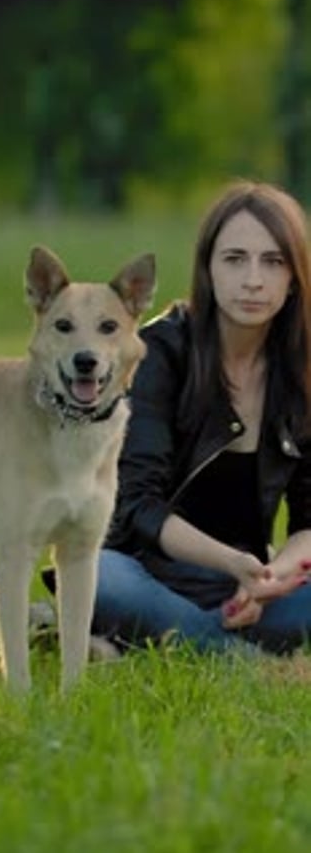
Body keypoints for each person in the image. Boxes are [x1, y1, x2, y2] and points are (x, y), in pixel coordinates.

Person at [91, 179, 311, 655]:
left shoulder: (302, 371)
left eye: (273, 261)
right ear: (208, 269)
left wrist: (270, 578)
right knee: (100, 579)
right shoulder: (159, 352)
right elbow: (137, 506)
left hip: (245, 581)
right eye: (235, 259)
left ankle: (147, 641)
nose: (253, 279)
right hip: (146, 569)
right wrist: (234, 564)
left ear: (294, 278)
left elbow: (309, 520)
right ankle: (236, 655)